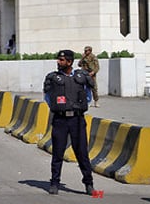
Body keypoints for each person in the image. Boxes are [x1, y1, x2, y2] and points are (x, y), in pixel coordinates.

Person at [43, 50, 95, 196]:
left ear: (70, 62)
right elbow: (48, 97)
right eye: (59, 59)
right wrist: (59, 108)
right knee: (58, 153)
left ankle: (89, 184)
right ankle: (54, 183)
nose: (59, 62)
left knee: (82, 153)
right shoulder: (53, 78)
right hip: (60, 119)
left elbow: (88, 96)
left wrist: (76, 108)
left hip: (77, 120)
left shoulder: (81, 77)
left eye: (62, 60)